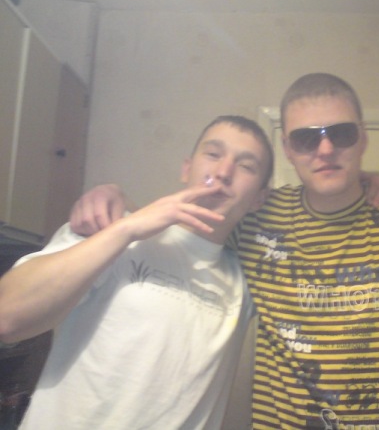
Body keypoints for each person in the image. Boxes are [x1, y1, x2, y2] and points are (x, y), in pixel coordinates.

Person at [69, 73, 379, 430]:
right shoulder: (256, 218)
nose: (325, 148)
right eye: (306, 137)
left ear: (363, 138)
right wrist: (115, 198)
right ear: (289, 150)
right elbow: (179, 227)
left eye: (342, 133)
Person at [0, 115, 274, 429]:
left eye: (246, 166)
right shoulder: (110, 227)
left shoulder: (248, 283)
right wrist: (126, 229)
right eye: (213, 154)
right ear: (187, 169)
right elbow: (7, 317)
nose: (223, 172)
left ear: (259, 198)